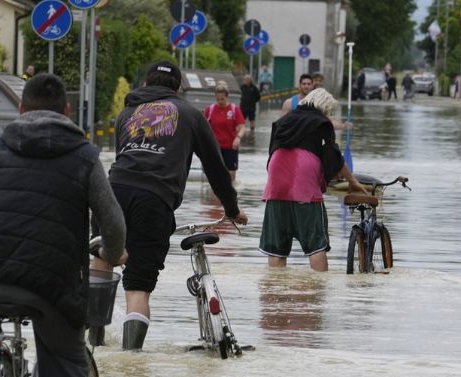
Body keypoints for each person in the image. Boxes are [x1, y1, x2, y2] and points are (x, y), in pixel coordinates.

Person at [0, 73, 127, 377]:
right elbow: (113, 222)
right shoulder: (85, 156)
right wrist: (112, 253)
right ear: (67, 111)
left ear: (20, 109)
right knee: (65, 357)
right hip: (50, 285)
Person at [92, 61, 248, 351]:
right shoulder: (190, 114)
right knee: (138, 286)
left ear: (146, 83)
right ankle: (130, 360)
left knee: (101, 263)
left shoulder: (126, 113)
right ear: (178, 88)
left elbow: (122, 158)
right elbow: (216, 168)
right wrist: (232, 209)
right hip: (154, 199)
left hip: (112, 193)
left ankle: (94, 349)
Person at [259, 88, 366, 272]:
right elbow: (333, 157)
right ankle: (319, 285)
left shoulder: (283, 121)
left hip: (276, 182)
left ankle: (275, 286)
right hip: (304, 184)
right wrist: (352, 181)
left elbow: (272, 154)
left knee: (276, 248)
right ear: (325, 107)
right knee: (316, 245)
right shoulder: (322, 123)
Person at [205, 81, 246, 182]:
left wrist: (238, 138)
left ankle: (231, 189)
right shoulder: (210, 110)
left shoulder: (234, 109)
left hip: (230, 147)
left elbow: (242, 127)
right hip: (215, 147)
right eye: (217, 99)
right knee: (215, 174)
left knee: (231, 175)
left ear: (227, 97)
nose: (220, 101)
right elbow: (203, 127)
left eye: (222, 99)